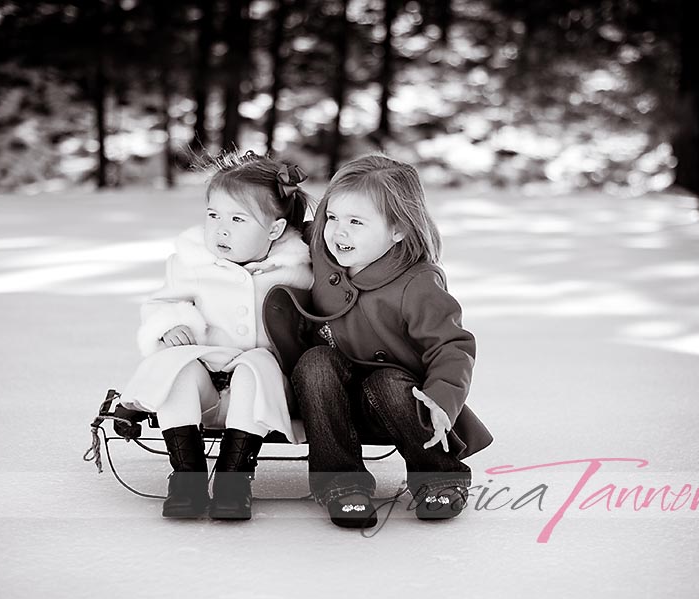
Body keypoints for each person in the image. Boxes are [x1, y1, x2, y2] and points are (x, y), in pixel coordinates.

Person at [263, 154, 493, 529]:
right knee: (316, 361)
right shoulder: (323, 251)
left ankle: (438, 476)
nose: (339, 232)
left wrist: (442, 397)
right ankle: (340, 483)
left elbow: (453, 346)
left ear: (398, 229)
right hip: (324, 399)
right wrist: (272, 190)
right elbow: (281, 224)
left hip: (392, 405)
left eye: (356, 222)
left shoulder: (417, 283)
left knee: (387, 381)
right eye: (333, 218)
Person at [116, 151, 314, 520]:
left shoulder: (297, 269)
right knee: (179, 367)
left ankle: (233, 479)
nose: (220, 229)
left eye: (238, 219)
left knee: (256, 365)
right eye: (213, 216)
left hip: (263, 399)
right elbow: (163, 301)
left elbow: (316, 322)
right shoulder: (193, 262)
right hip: (206, 392)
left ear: (274, 229)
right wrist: (173, 325)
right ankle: (186, 477)